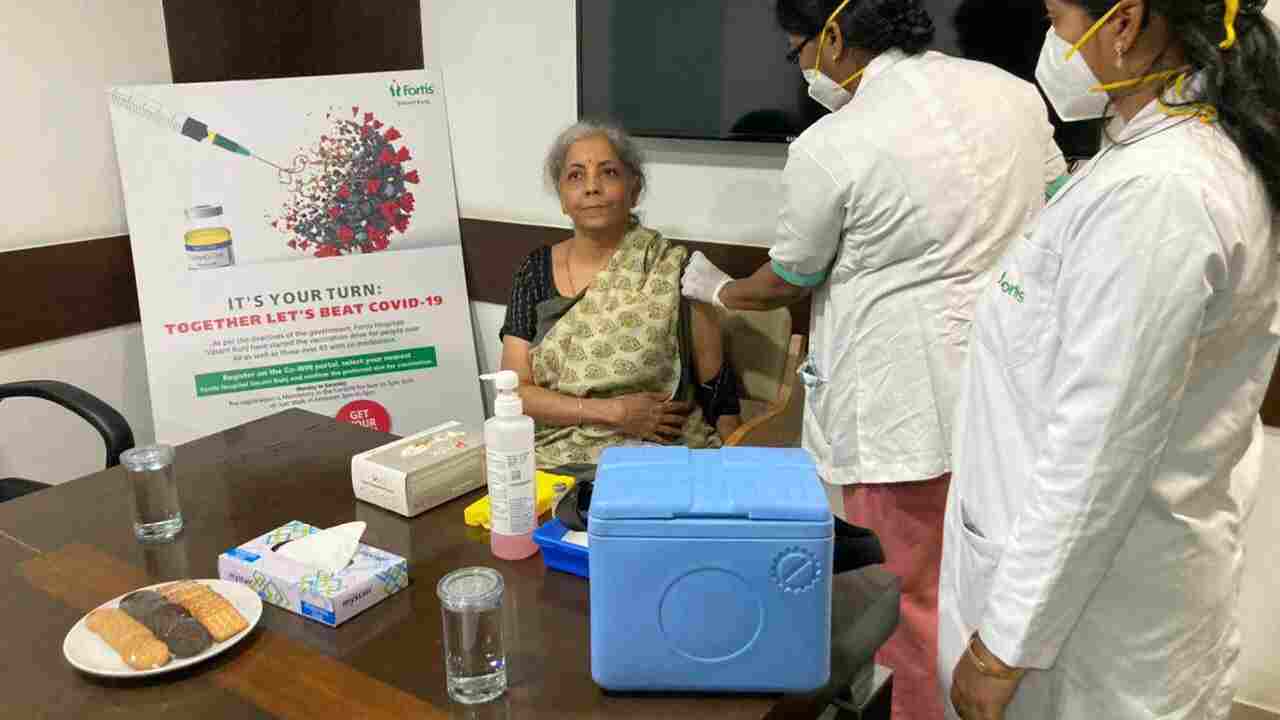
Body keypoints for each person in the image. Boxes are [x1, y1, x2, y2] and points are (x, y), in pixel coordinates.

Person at [680, 1, 1065, 716]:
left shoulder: (834, 143)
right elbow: (1058, 203)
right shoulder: (1012, 94)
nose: (803, 68)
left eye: (797, 49)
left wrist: (718, 289)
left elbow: (789, 277)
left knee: (904, 598)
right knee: (995, 588)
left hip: (904, 412)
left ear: (832, 34)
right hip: (1012, 395)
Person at [940, 0, 1280, 718]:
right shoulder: (1150, 158)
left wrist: (1003, 647)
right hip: (1106, 596)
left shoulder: (1160, 191)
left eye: (1057, 18)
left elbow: (1098, 448)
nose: (1051, 42)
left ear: (1123, 23)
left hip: (1094, 637)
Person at [500, 121, 741, 469]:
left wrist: (738, 466)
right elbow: (516, 393)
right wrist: (613, 412)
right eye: (576, 176)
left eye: (609, 172)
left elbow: (718, 391)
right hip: (554, 457)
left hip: (656, 456)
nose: (592, 187)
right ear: (562, 198)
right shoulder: (535, 271)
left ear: (635, 189)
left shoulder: (675, 269)